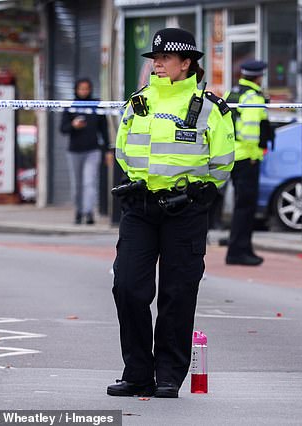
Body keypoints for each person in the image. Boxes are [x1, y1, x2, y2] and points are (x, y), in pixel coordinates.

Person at [107, 27, 235, 398]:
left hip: (186, 211)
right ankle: (137, 372)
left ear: (186, 63)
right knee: (128, 287)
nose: (157, 65)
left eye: (164, 59)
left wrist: (197, 193)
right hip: (141, 207)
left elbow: (223, 163)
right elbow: (123, 151)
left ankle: (168, 374)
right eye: (155, 59)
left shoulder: (209, 107)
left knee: (178, 293)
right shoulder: (138, 103)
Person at [224, 60, 273, 266]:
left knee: (241, 205)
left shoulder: (232, 93)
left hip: (232, 155)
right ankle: (238, 251)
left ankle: (243, 248)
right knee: (245, 207)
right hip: (247, 157)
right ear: (258, 77)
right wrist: (254, 155)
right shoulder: (253, 97)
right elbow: (251, 131)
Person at [60, 78, 111, 224]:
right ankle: (79, 211)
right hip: (74, 151)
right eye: (81, 88)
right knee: (77, 184)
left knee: (89, 182)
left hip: (92, 150)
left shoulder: (96, 105)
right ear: (76, 89)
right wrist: (73, 125)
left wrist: (107, 150)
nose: (84, 91)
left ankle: (89, 213)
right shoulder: (70, 106)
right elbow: (62, 129)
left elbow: (104, 129)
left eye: (86, 88)